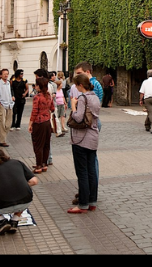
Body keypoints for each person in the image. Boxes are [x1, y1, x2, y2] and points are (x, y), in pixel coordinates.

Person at [68, 73, 101, 213]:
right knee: (91, 171)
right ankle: (92, 201)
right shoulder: (95, 97)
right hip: (93, 137)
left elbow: (79, 117)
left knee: (82, 172)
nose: (75, 87)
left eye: (76, 85)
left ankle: (82, 204)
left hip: (81, 139)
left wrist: (74, 106)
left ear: (81, 85)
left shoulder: (83, 98)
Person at [29, 77, 54, 174]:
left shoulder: (37, 97)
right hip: (47, 122)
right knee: (46, 144)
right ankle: (44, 164)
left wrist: (30, 124)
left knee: (38, 144)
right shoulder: (48, 95)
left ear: (39, 86)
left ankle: (38, 165)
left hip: (39, 122)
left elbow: (34, 111)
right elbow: (52, 108)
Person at [0, 69, 13, 147]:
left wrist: (12, 99)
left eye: (7, 74)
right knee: (2, 123)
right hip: (2, 105)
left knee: (8, 124)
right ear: (0, 75)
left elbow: (10, 93)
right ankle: (2, 141)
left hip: (9, 105)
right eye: (4, 74)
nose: (6, 75)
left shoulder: (8, 83)